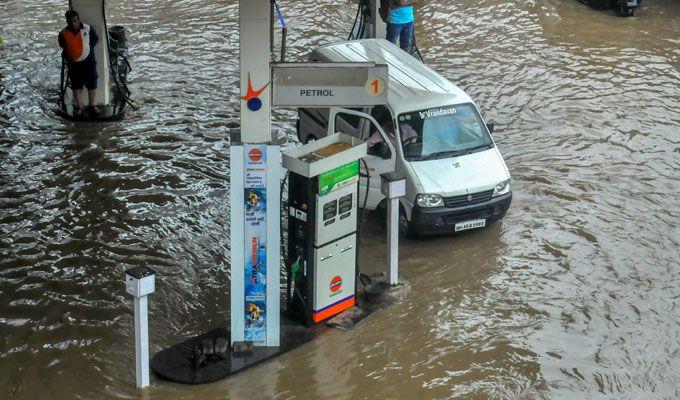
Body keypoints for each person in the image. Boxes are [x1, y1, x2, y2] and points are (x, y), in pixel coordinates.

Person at [58, 10, 99, 116]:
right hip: (74, 63)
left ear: (78, 20)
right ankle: (79, 107)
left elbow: (95, 39)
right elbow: (63, 46)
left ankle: (92, 106)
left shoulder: (87, 29)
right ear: (67, 21)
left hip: (89, 61)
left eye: (75, 21)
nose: (73, 24)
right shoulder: (63, 34)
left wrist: (88, 50)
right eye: (70, 22)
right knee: (77, 85)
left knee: (92, 84)